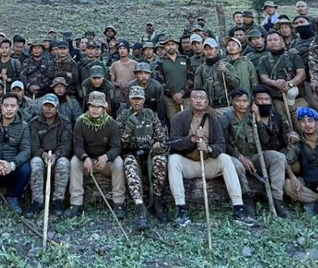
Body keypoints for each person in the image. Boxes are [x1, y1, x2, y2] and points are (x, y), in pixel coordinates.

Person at [167, 89, 254, 227]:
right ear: (190, 100)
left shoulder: (213, 120)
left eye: (202, 98)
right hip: (188, 163)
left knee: (225, 158)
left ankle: (239, 208)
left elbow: (221, 145)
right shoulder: (179, 117)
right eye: (195, 97)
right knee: (173, 160)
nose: (199, 100)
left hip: (208, 163)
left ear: (207, 102)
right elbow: (174, 143)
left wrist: (208, 149)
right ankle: (181, 210)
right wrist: (193, 139)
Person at [225, 89, 290, 218]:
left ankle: (277, 200)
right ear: (233, 102)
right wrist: (240, 157)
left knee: (279, 157)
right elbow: (223, 143)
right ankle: (247, 198)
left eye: (245, 101)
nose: (242, 104)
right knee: (236, 167)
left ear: (250, 102)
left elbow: (266, 141)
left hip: (255, 156)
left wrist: (259, 120)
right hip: (236, 157)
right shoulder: (226, 118)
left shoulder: (253, 117)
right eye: (238, 101)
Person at [66, 91, 126, 219]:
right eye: (92, 106)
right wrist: (84, 157)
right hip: (88, 162)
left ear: (104, 108)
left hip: (104, 162)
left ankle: (118, 203)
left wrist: (107, 157)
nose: (95, 109)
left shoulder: (112, 124)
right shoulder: (80, 122)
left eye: (98, 107)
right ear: (88, 106)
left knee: (119, 162)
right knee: (75, 162)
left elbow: (116, 147)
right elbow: (77, 146)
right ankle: (76, 204)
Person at [119, 86, 170, 229]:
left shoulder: (151, 115)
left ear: (144, 100)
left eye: (139, 99)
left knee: (161, 160)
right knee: (129, 164)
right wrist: (128, 129)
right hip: (132, 153)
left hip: (150, 154)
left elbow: (162, 139)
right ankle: (140, 208)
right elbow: (119, 144)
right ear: (129, 99)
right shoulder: (123, 116)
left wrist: (157, 145)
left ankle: (157, 202)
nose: (136, 102)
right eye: (134, 99)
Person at [0, 93, 32, 215]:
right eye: (6, 105)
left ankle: (14, 197)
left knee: (26, 169)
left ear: (18, 107)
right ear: (1, 107)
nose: (9, 109)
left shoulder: (24, 127)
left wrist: (12, 164)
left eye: (13, 106)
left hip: (13, 169)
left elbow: (26, 151)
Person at [26, 93, 72, 218]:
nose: (48, 109)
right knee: (35, 163)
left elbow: (67, 145)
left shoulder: (65, 122)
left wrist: (56, 155)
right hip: (41, 156)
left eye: (51, 106)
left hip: (57, 156)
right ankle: (37, 201)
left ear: (57, 108)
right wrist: (43, 154)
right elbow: (33, 145)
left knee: (63, 163)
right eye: (45, 106)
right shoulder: (34, 123)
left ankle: (58, 200)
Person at [256, 30, 308, 128]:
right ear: (267, 44)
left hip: (298, 100)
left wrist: (290, 84)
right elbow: (263, 78)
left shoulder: (294, 56)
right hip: (278, 101)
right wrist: (274, 83)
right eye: (269, 40)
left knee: (304, 127)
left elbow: (301, 74)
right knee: (285, 129)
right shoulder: (263, 59)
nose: (273, 42)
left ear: (282, 42)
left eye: (275, 39)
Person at [157, 37, 192, 121]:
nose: (170, 47)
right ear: (165, 47)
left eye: (172, 44)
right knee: (174, 122)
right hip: (170, 100)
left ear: (176, 46)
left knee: (188, 122)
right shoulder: (161, 62)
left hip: (186, 97)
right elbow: (160, 81)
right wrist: (173, 94)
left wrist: (182, 93)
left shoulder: (185, 59)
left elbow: (191, 78)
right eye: (168, 45)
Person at [193, 37, 235, 109]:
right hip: (208, 107)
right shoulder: (200, 69)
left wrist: (226, 72)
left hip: (226, 105)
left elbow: (236, 84)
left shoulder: (227, 65)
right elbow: (197, 89)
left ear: (217, 50)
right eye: (206, 49)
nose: (209, 51)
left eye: (211, 49)